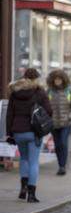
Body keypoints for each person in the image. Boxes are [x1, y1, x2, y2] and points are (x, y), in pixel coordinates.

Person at [5, 68, 52, 202]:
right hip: (34, 132)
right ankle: (31, 195)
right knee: (33, 162)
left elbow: (9, 115)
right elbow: (49, 111)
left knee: (24, 159)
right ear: (36, 78)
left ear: (24, 78)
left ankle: (23, 189)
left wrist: (9, 134)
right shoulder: (39, 92)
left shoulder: (15, 92)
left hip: (18, 131)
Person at [47, 69, 71, 175]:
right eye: (56, 79)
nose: (57, 81)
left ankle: (62, 167)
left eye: (59, 79)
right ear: (52, 80)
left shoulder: (69, 91)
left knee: (63, 143)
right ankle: (61, 164)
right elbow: (45, 106)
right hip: (54, 123)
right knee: (57, 145)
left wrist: (70, 116)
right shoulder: (50, 92)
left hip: (66, 123)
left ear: (63, 80)